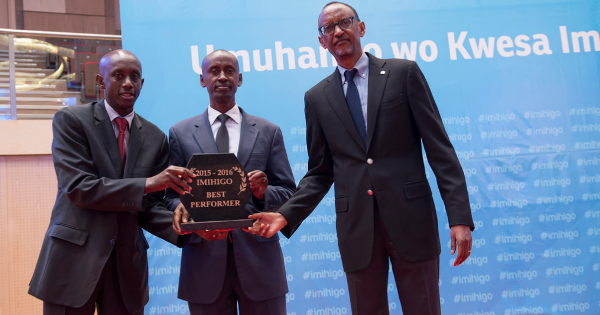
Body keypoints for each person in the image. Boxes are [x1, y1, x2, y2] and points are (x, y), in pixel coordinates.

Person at [247, 2, 475, 314]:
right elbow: (319, 173)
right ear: (322, 41)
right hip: (358, 231)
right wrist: (285, 214)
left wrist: (459, 218)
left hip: (412, 222)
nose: (337, 31)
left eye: (345, 22)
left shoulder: (403, 73)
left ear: (361, 28)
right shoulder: (316, 98)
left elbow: (440, 150)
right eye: (329, 28)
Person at [28, 50, 195, 315]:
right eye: (119, 75)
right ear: (101, 80)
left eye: (134, 76)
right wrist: (149, 183)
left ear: (142, 84)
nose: (128, 82)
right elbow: (79, 188)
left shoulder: (156, 137)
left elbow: (148, 206)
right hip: (73, 262)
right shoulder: (71, 121)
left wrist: (187, 226)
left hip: (127, 267)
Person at [169, 50, 295, 315]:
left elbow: (288, 192)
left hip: (260, 263)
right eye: (214, 71)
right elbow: (170, 197)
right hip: (203, 262)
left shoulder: (268, 131)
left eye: (229, 70)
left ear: (240, 79)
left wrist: (263, 193)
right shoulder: (179, 134)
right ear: (202, 79)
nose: (222, 76)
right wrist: (183, 211)